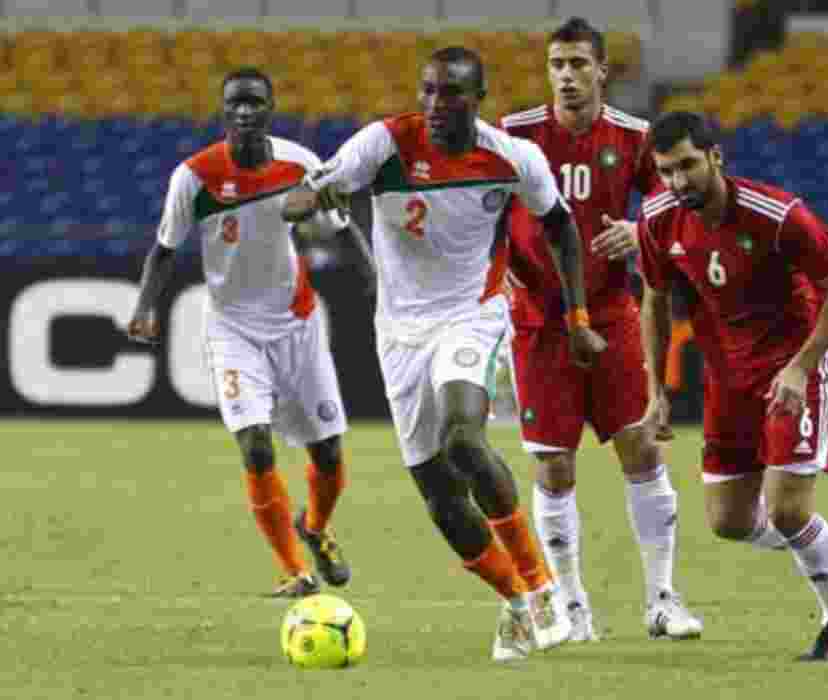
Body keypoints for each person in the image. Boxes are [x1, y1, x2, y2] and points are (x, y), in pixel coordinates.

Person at [282, 47, 607, 662]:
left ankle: (543, 588)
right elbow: (305, 194)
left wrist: (578, 316)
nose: (435, 104)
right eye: (428, 91)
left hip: (471, 315)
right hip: (398, 333)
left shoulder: (512, 157)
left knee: (464, 439)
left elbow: (562, 226)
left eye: (451, 93)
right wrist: (309, 199)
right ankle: (515, 603)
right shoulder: (384, 144)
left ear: (477, 99)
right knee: (438, 494)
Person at [638, 111, 828, 663]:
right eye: (666, 171)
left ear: (715, 157)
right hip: (728, 378)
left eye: (688, 166)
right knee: (730, 522)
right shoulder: (656, 220)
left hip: (795, 369)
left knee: (788, 510)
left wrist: (800, 367)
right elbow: (653, 301)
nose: (678, 181)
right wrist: (656, 388)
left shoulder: (778, 215)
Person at [499, 16, 701, 642]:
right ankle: (571, 607)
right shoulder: (514, 134)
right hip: (539, 320)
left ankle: (662, 600)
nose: (567, 76)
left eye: (579, 64)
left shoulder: (635, 138)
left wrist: (639, 232)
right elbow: (480, 210)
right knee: (553, 465)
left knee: (640, 449)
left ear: (602, 71)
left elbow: (677, 203)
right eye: (557, 64)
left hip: (612, 314)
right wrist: (494, 272)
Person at [127, 68, 363, 598]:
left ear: (270, 108)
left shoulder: (301, 164)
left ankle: (316, 528)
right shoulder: (195, 177)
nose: (244, 110)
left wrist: (375, 286)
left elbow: (345, 231)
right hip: (232, 329)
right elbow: (164, 250)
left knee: (328, 453)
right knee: (255, 447)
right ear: (223, 109)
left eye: (254, 101)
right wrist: (145, 307)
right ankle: (293, 569)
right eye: (235, 102)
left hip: (297, 324)